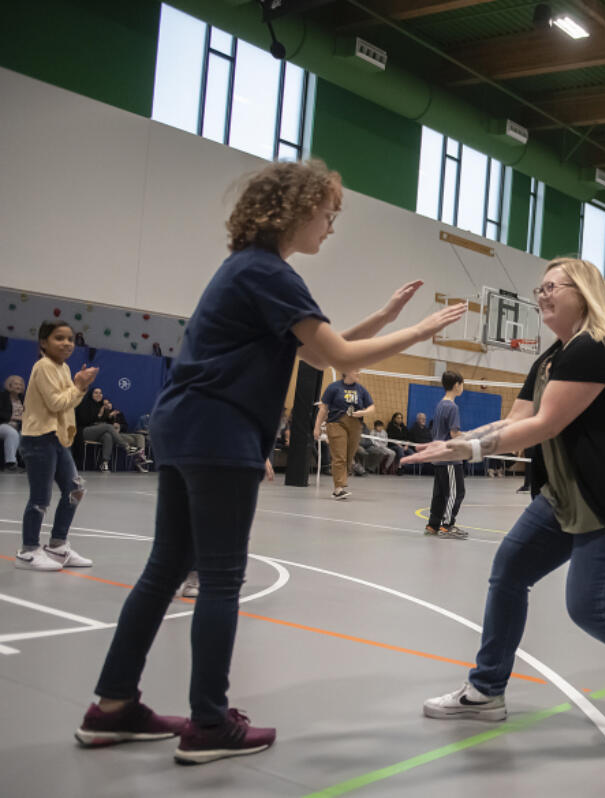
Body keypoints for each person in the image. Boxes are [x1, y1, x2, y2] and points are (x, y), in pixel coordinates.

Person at [76, 159, 465, 764]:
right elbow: (335, 352)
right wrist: (415, 334)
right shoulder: (270, 273)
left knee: (164, 569)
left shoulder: (249, 271)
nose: (332, 227)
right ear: (299, 208)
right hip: (219, 431)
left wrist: (385, 320)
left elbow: (314, 354)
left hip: (185, 425)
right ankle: (209, 722)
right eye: (329, 213)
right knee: (223, 577)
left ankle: (114, 706)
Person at [406, 257, 605, 728]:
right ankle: (486, 691)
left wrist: (467, 452)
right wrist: (457, 443)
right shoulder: (551, 358)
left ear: (583, 292)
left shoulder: (600, 348)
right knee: (509, 572)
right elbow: (518, 419)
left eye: (552, 287)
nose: (541, 295)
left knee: (590, 607)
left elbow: (544, 425)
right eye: (539, 288)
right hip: (564, 496)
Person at [17, 321, 98, 571]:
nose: (66, 343)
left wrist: (77, 387)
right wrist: (80, 387)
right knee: (40, 498)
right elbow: (56, 403)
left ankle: (57, 546)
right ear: (43, 343)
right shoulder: (43, 367)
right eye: (59, 338)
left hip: (57, 439)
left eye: (70, 339)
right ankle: (28, 550)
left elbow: (67, 403)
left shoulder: (61, 368)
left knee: (75, 489)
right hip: (39, 438)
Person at [314, 372, 375, 499]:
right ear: (347, 371)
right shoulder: (334, 387)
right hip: (336, 423)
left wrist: (362, 412)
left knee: (348, 456)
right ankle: (338, 489)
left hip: (355, 424)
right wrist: (317, 427)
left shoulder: (361, 389)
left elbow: (372, 408)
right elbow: (323, 409)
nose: (358, 372)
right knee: (339, 456)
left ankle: (340, 485)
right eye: (355, 370)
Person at [425, 371, 467, 538]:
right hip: (449, 457)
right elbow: (454, 434)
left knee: (440, 493)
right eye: (462, 384)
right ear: (456, 385)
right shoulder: (452, 407)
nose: (463, 388)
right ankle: (447, 525)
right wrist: (470, 436)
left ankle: (433, 525)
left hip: (438, 455)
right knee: (457, 492)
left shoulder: (440, 405)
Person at [79, 387, 125, 472]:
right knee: (107, 427)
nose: (98, 395)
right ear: (91, 394)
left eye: (100, 393)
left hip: (97, 433)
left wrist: (110, 415)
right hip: (84, 431)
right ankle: (126, 446)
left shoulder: (102, 406)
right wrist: (99, 415)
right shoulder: (84, 404)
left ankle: (104, 463)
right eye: (96, 393)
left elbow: (107, 422)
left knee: (108, 436)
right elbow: (83, 420)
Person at [1, 374, 25, 471]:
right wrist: (12, 418)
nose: (18, 386)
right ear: (9, 385)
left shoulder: (23, 399)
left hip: (20, 425)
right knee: (12, 433)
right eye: (15, 384)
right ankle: (10, 463)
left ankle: (24, 463)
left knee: (25, 435)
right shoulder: (2, 397)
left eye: (20, 384)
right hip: (4, 424)